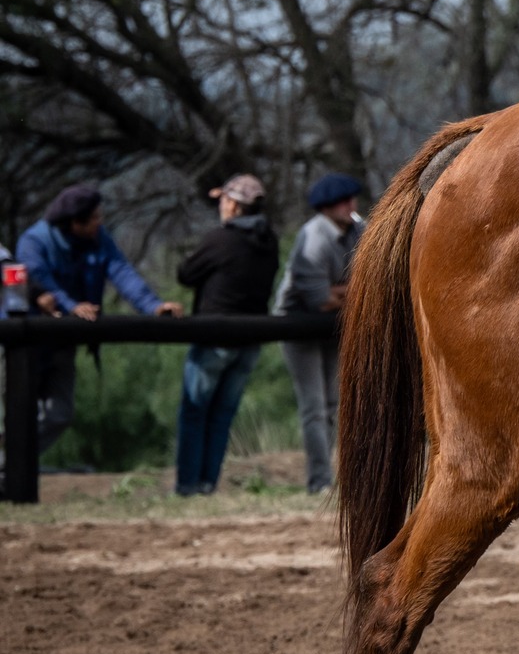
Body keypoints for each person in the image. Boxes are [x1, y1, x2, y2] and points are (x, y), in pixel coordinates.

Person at [16, 184, 182, 460]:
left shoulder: (98, 239)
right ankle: (11, 472)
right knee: (15, 413)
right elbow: (42, 284)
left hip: (62, 344)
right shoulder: (34, 242)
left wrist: (153, 306)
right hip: (25, 345)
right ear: (74, 223)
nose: (99, 223)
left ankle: (8, 466)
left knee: (59, 414)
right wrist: (72, 307)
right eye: (94, 218)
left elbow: (121, 271)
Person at [174, 173, 278, 496]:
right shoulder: (269, 240)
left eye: (223, 200)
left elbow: (185, 274)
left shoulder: (221, 239)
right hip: (250, 341)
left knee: (195, 412)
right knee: (221, 416)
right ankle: (207, 484)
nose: (220, 205)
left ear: (233, 205)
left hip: (214, 337)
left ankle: (188, 485)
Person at [275, 173, 363, 495]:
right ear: (326, 207)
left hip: (335, 324)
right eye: (343, 200)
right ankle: (319, 481)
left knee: (335, 404)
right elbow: (319, 299)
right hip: (298, 324)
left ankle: (338, 478)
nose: (351, 205)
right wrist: (348, 292)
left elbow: (369, 282)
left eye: (352, 198)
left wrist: (342, 292)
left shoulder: (359, 229)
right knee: (314, 406)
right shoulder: (312, 238)